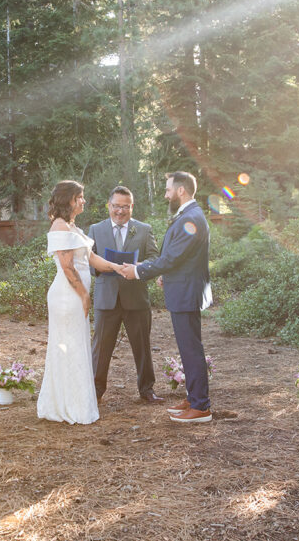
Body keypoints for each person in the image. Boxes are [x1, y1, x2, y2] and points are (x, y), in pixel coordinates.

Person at [121, 171, 213, 423]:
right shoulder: (189, 215)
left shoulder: (191, 217)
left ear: (181, 191)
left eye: (168, 189)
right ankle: (193, 398)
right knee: (188, 348)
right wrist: (166, 274)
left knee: (191, 349)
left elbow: (173, 257)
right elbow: (180, 258)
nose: (165, 194)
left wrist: (139, 271)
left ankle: (201, 406)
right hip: (182, 288)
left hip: (186, 293)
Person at [37, 180, 123, 424]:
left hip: (74, 295)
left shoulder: (72, 226)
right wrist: (84, 295)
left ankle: (76, 401)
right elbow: (66, 266)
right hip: (67, 297)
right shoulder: (60, 227)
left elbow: (91, 257)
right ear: (70, 200)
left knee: (77, 345)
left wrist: (118, 267)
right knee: (69, 346)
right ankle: (66, 405)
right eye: (80, 197)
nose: (84, 201)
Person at [88, 186, 162, 404]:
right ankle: (95, 390)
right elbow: (87, 261)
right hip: (106, 297)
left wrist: (138, 267)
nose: (120, 211)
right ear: (109, 206)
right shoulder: (95, 229)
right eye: (116, 206)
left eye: (125, 207)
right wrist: (107, 267)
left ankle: (147, 389)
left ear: (132, 207)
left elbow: (154, 258)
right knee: (100, 348)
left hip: (136, 297)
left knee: (142, 346)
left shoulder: (144, 229)